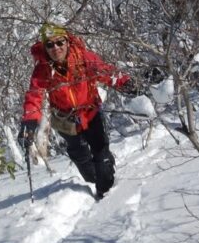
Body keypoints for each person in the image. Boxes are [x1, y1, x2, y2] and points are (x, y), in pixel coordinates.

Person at [19, 22, 132, 199]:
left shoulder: (83, 58)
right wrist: (29, 121)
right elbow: (34, 95)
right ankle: (95, 178)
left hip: (91, 112)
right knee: (82, 160)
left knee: (101, 154)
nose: (55, 48)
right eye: (49, 44)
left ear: (67, 41)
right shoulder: (42, 70)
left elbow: (106, 72)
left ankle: (107, 195)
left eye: (59, 42)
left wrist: (125, 82)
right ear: (44, 47)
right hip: (66, 120)